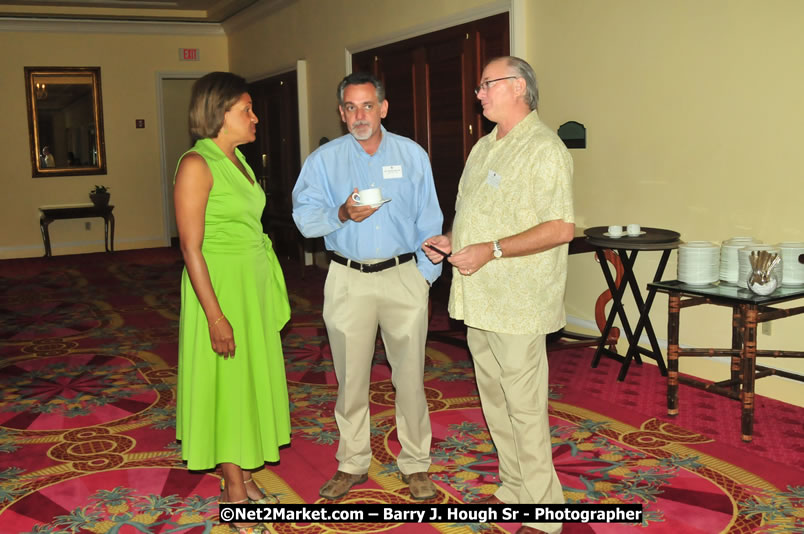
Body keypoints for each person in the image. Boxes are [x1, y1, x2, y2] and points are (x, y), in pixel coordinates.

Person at [423, 56, 573, 534]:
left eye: (488, 85)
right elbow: (478, 211)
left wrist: (491, 249)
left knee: (525, 407)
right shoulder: (485, 147)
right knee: (495, 400)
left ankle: (545, 509)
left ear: (519, 88)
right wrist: (455, 240)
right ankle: (515, 487)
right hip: (479, 296)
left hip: (519, 300)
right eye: (481, 86)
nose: (479, 93)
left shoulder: (545, 148)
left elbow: (561, 227)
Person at [292, 72, 443, 501]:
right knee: (350, 379)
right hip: (347, 278)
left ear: (384, 107)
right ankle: (352, 461)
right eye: (351, 108)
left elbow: (429, 219)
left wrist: (423, 277)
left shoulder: (412, 156)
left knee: (410, 377)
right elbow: (305, 216)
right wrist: (340, 213)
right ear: (341, 113)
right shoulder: (324, 161)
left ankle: (416, 463)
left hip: (403, 276)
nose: (361, 115)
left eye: (368, 106)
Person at [174, 71, 291, 533]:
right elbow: (190, 248)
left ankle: (241, 472)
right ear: (220, 113)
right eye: (247, 109)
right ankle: (233, 488)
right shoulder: (196, 165)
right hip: (219, 288)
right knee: (226, 383)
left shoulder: (238, 159)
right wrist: (215, 315)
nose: (254, 117)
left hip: (251, 286)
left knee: (246, 379)